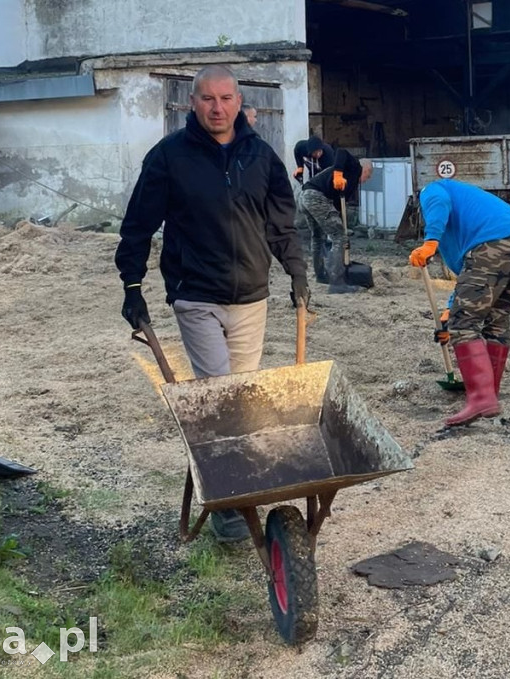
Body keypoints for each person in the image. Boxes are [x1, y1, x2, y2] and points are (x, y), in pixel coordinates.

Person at [114, 65, 309, 542]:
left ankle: (232, 482)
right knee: (220, 393)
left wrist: (298, 273)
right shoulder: (168, 158)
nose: (217, 108)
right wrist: (132, 286)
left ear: (239, 103)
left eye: (226, 98)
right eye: (207, 99)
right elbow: (138, 224)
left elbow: (280, 224)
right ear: (192, 103)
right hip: (196, 294)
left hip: (250, 297)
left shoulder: (261, 157)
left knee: (241, 397)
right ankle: (229, 505)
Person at [408, 179, 510, 426]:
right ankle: (490, 393)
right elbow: (469, 281)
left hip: (493, 245)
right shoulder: (467, 217)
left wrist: (430, 241)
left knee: (464, 323)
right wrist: (448, 311)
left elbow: (438, 201)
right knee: (496, 320)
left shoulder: (431, 189)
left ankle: (481, 398)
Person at [296, 149, 373, 291]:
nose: (366, 180)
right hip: (316, 197)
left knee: (318, 237)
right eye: (368, 176)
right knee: (339, 237)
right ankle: (337, 282)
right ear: (366, 169)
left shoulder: (349, 184)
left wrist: (342, 228)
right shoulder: (355, 167)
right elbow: (342, 152)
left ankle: (321, 275)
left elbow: (338, 209)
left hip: (305, 196)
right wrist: (338, 174)